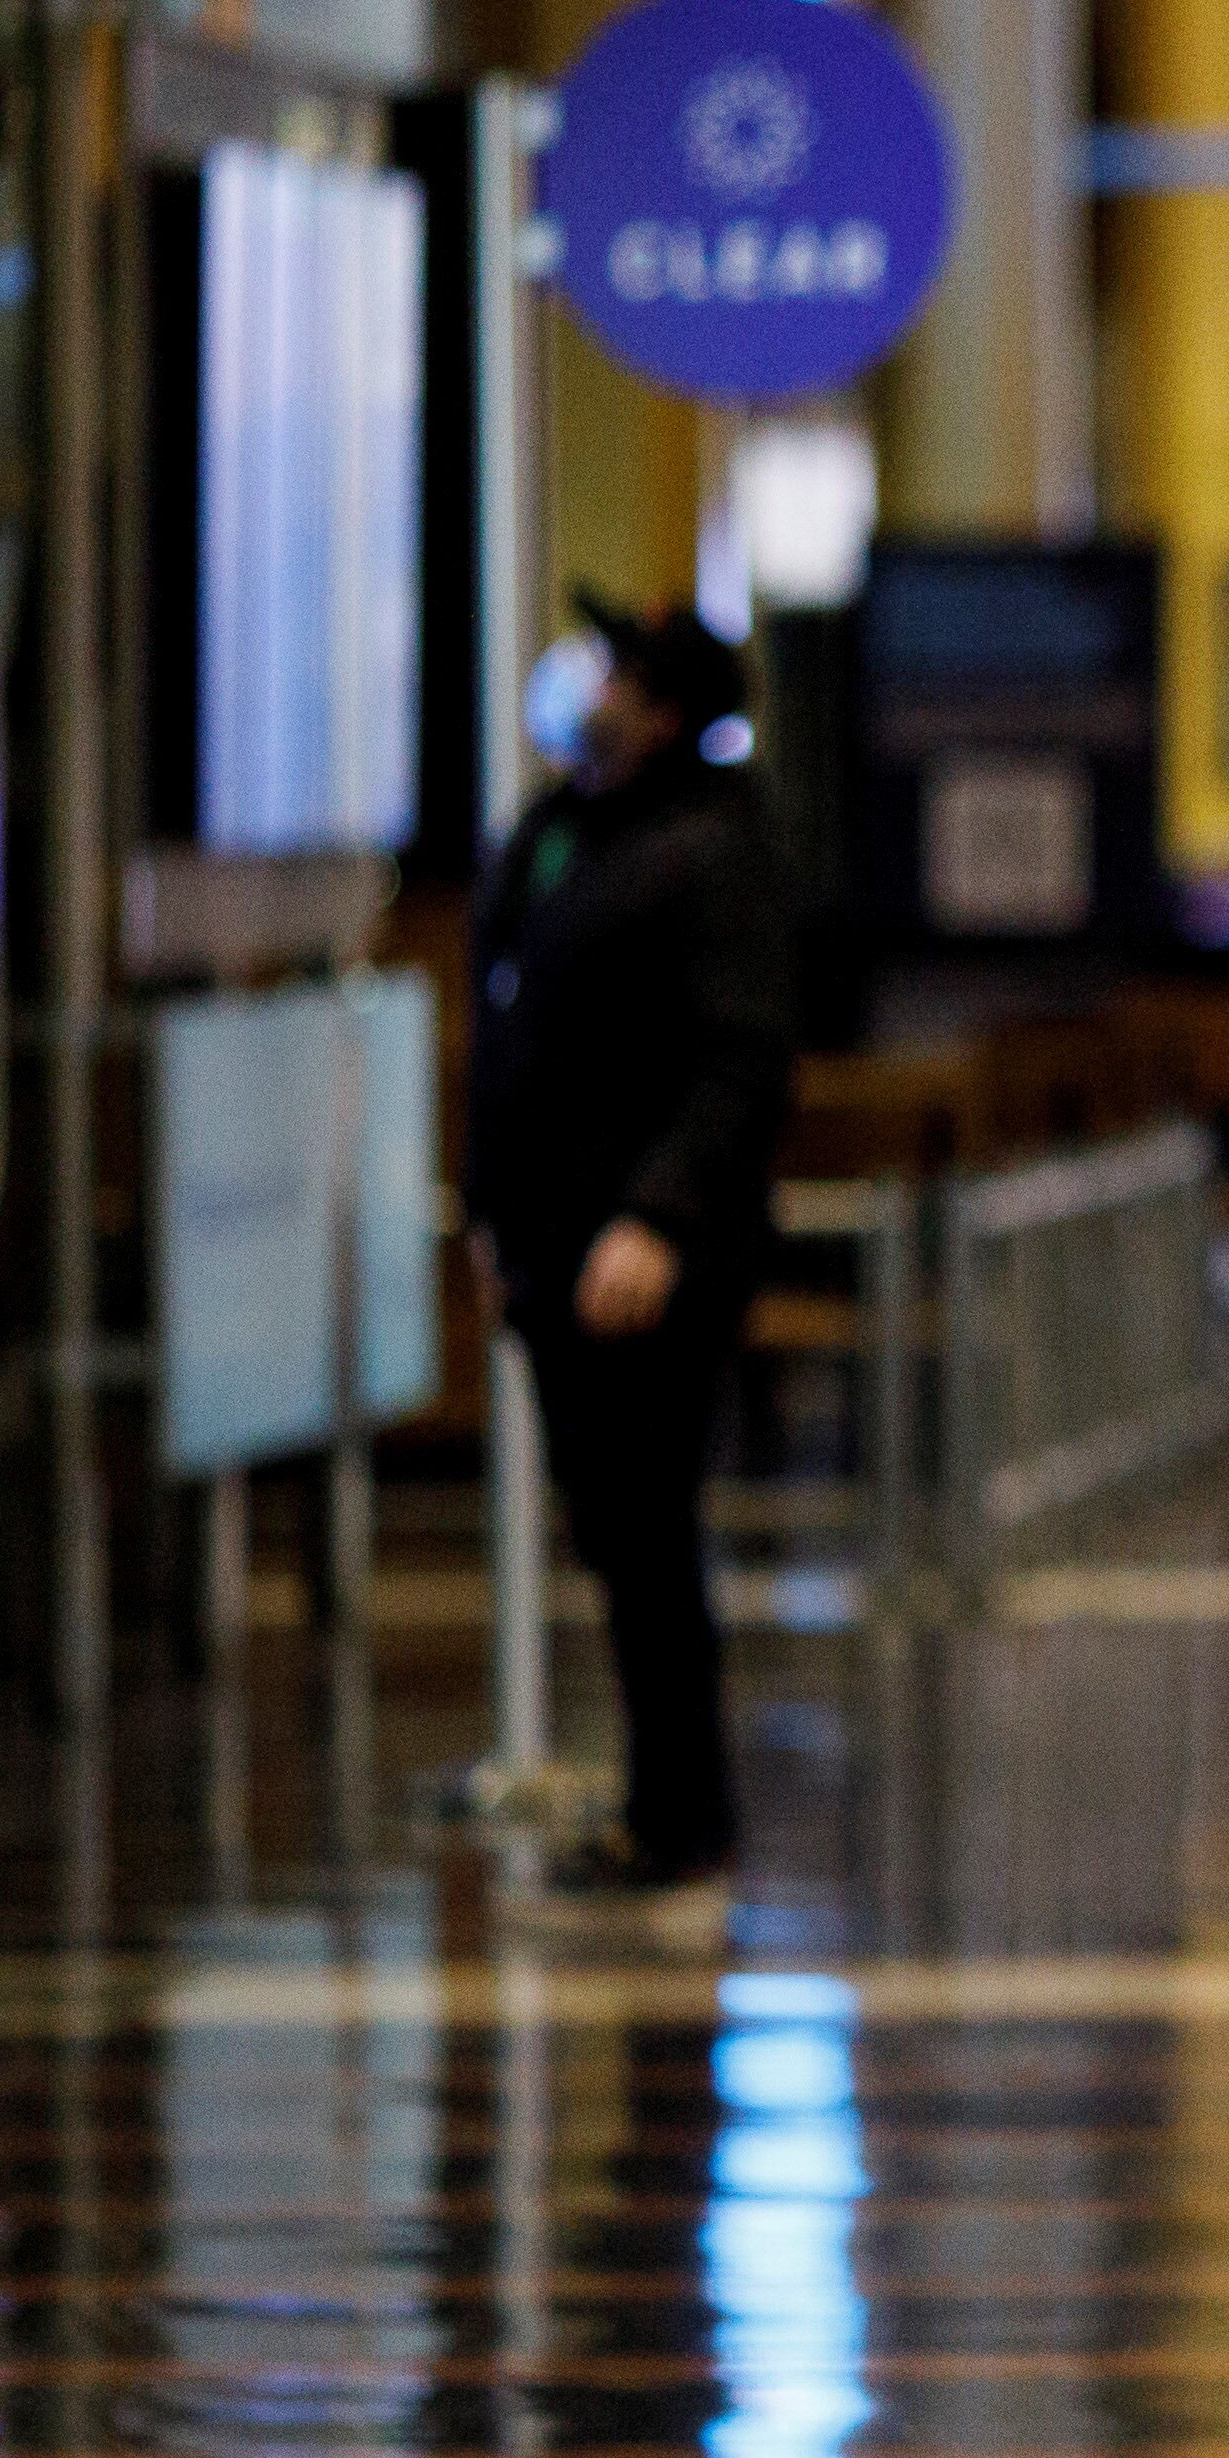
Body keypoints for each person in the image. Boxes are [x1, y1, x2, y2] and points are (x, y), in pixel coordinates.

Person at [464, 598, 796, 1893]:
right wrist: (493, 1215)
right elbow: (505, 1030)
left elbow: (740, 1061)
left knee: (651, 1535)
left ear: (659, 709)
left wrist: (657, 1218)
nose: (579, 678)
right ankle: (657, 1801)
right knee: (610, 1531)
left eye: (610, 666)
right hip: (548, 1240)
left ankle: (682, 1813)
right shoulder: (561, 831)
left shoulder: (712, 848)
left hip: (647, 1257)